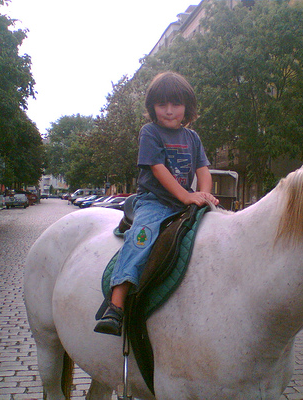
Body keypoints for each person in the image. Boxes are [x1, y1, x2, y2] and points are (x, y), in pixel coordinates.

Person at [94, 71, 219, 336]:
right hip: (154, 202)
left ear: (187, 107)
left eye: (176, 104)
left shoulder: (193, 138)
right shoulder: (150, 132)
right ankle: (116, 306)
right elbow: (158, 168)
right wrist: (186, 196)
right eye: (162, 105)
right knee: (141, 238)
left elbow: (203, 170)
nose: (169, 111)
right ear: (152, 107)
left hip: (184, 203)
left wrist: (204, 195)